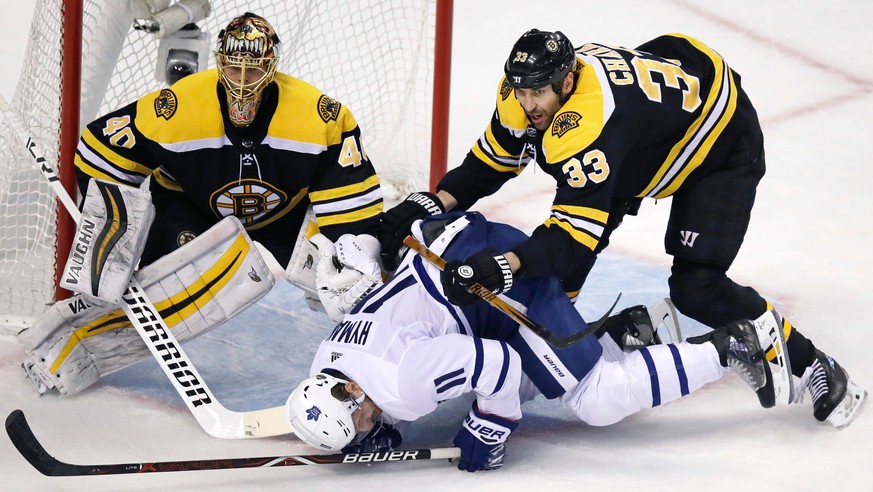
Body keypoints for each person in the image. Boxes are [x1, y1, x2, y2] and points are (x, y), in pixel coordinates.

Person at [377, 30, 866, 427]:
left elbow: (568, 241)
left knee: (697, 285)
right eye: (522, 91)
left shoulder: (590, 126)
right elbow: (487, 164)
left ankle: (812, 365)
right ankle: (631, 332)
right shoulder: (527, 92)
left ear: (567, 81)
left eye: (538, 92)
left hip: (719, 138)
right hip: (656, 108)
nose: (529, 105)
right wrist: (429, 200)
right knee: (552, 287)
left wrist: (506, 264)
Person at [286, 212, 853, 473]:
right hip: (453, 255)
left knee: (596, 398)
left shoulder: (401, 383)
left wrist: (489, 428)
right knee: (546, 378)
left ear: (356, 397)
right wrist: (390, 424)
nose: (368, 428)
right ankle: (626, 334)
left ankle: (737, 345)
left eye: (361, 422)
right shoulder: (330, 361)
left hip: (487, 279)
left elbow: (498, 366)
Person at [17, 12, 384, 396]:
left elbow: (351, 196)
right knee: (175, 292)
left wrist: (353, 255)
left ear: (271, 67)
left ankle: (371, 378)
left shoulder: (319, 114)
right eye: (234, 69)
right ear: (220, 63)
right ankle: (67, 348)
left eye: (253, 69)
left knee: (355, 278)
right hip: (189, 207)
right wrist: (115, 228)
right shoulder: (177, 107)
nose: (242, 81)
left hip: (285, 213)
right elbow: (99, 150)